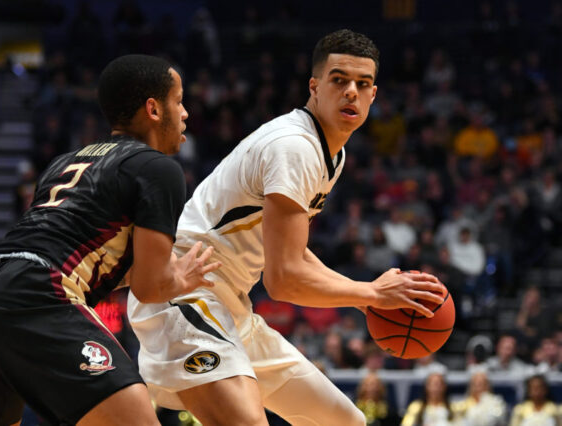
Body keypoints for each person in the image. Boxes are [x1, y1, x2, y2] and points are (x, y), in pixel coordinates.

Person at [128, 29, 446, 426]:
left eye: (362, 84)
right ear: (314, 87)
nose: (351, 92)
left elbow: (290, 249)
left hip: (230, 307)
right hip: (186, 294)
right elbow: (283, 280)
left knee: (345, 421)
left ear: (373, 96)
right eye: (339, 80)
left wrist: (365, 298)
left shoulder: (332, 152)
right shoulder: (294, 146)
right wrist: (370, 293)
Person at [0, 55, 220, 426]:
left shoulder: (65, 162)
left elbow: (78, 250)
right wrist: (180, 278)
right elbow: (150, 286)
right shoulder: (159, 169)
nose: (186, 113)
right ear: (154, 109)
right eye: (179, 101)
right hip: (37, 292)